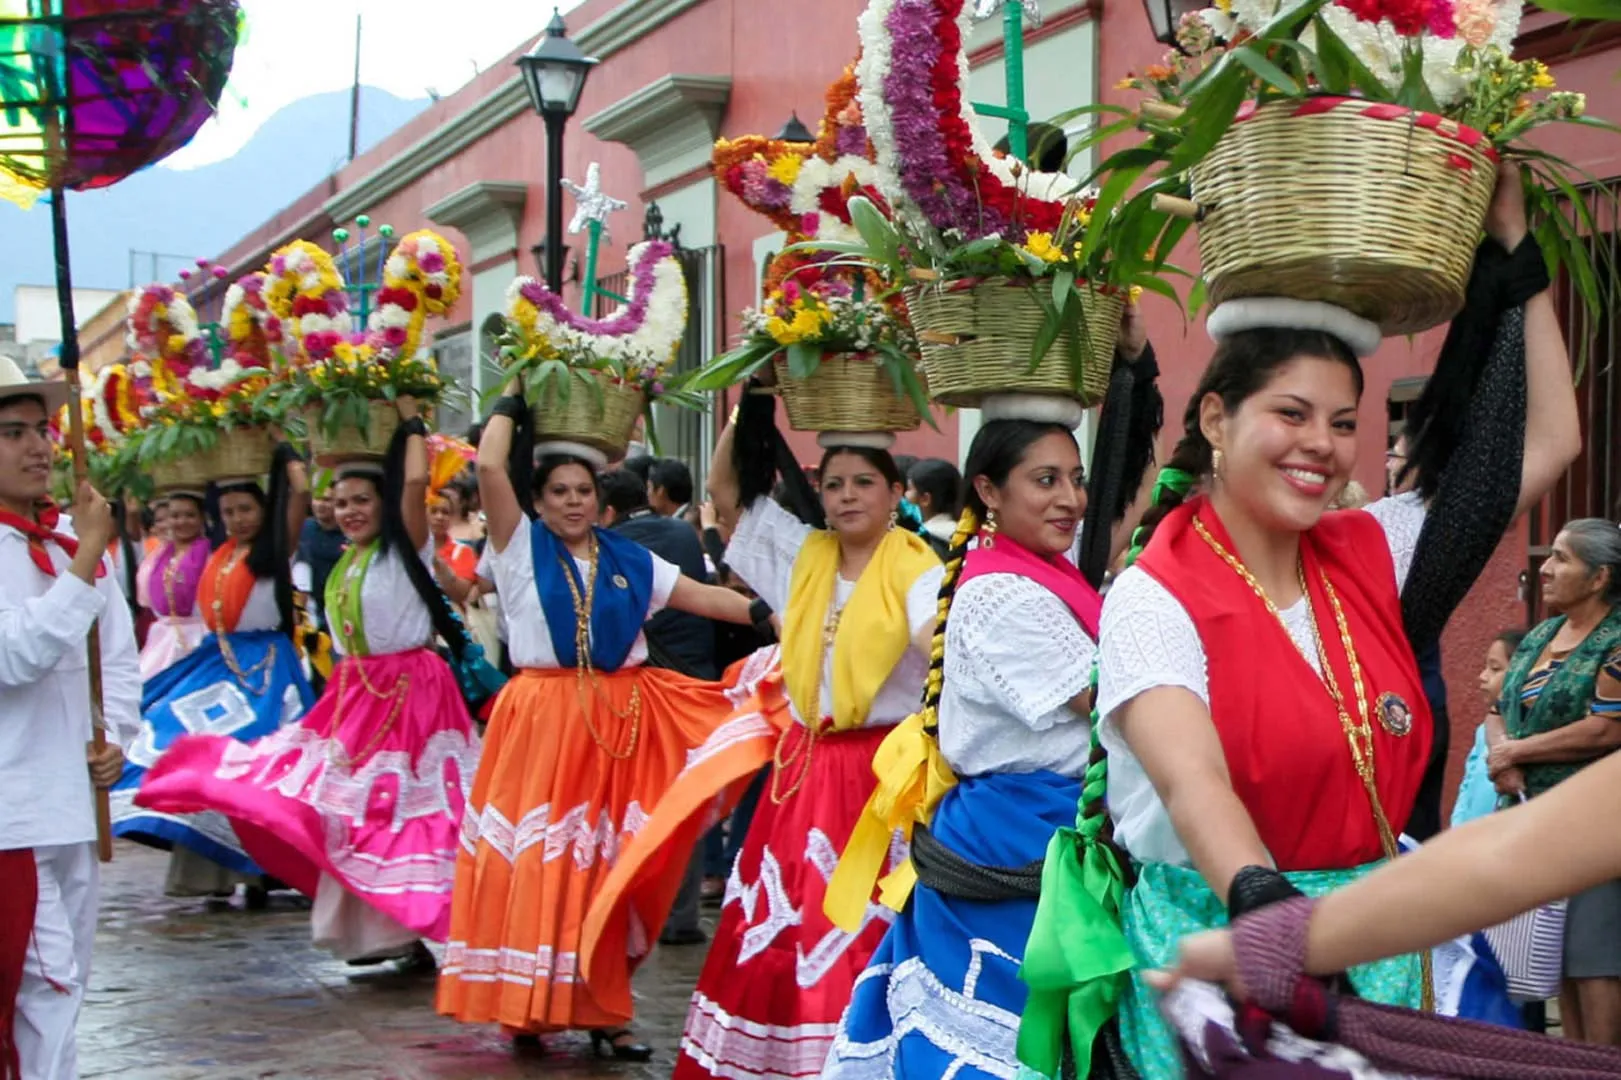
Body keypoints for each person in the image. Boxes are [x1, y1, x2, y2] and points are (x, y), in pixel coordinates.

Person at [1015, 163, 1582, 1080]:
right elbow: (1192, 777)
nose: (1320, 442)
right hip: (1225, 948)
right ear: (1213, 418)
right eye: (1289, 413)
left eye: (1342, 420)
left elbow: (1547, 444)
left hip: (1373, 944)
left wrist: (1517, 258)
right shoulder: (1153, 593)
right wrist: (1259, 897)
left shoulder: (1374, 550)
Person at [580, 387, 944, 1079]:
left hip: (880, 777)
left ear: (896, 491)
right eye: (832, 483)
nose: (846, 496)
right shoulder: (802, 555)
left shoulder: (920, 569)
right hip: (804, 771)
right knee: (788, 925)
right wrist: (758, 391)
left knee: (857, 928)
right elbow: (724, 487)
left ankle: (855, 1058)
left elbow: (936, 643)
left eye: (864, 482)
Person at [435, 383, 763, 1058]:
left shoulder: (627, 559)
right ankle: (529, 1007)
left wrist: (775, 617)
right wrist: (517, 395)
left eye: (583, 490)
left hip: (619, 728)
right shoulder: (518, 549)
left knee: (607, 871)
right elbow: (491, 465)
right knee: (542, 869)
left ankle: (606, 1010)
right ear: (538, 500)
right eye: (558, 491)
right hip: (539, 723)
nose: (573, 501)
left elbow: (702, 597)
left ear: (601, 498)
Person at [137, 398, 481, 973]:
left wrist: (408, 421)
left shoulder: (404, 549)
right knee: (348, 810)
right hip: (356, 696)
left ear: (387, 504)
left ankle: (435, 925)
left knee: (413, 813)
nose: (348, 511)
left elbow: (416, 477)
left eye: (361, 501)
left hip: (414, 696)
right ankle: (388, 934)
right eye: (341, 502)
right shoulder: (350, 559)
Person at [0, 363, 139, 1080]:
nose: (37, 447)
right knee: (45, 986)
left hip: (74, 810)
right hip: (10, 817)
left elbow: (117, 660)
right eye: (12, 432)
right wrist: (88, 553)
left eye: (42, 430)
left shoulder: (68, 549)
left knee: (65, 982)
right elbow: (16, 654)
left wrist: (115, 736)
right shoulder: (77, 551)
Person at [113, 443, 317, 903]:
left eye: (246, 508)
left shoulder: (272, 552)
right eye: (228, 511)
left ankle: (271, 867)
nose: (238, 518)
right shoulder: (221, 553)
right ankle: (216, 871)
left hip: (264, 671)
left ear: (265, 510)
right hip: (217, 662)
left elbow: (300, 495)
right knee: (178, 742)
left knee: (258, 764)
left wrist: (286, 462)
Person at [1484, 518, 1621, 1044]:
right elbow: (1499, 707)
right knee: (1557, 956)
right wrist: (1502, 753)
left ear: (1598, 577)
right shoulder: (1541, 633)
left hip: (1591, 819)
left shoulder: (1616, 638)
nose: (1546, 567)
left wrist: (1517, 750)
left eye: (1562, 558)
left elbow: (1606, 728)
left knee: (1594, 957)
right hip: (1529, 816)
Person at [600, 466, 720, 946]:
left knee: (638, 804)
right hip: (699, 678)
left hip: (645, 689)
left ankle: (634, 908)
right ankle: (681, 916)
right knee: (691, 799)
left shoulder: (612, 550)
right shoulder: (681, 532)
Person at [1451, 629, 1526, 829]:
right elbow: (1467, 786)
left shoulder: (1526, 736)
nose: (1483, 676)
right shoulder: (1483, 731)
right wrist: (1457, 827)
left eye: (1495, 668)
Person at [135, 490, 210, 680]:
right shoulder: (159, 556)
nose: (182, 521)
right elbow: (146, 600)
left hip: (200, 637)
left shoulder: (210, 554)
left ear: (202, 518)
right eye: (176, 516)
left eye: (190, 515)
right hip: (163, 638)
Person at [296, 485, 345, 633]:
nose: (320, 505)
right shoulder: (303, 529)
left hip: (339, 612)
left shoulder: (350, 534)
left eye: (327, 500)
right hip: (310, 612)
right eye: (317, 499)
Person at [907, 457, 963, 560]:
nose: (905, 495)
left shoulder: (919, 542)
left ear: (925, 499)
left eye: (909, 489)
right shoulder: (965, 534)